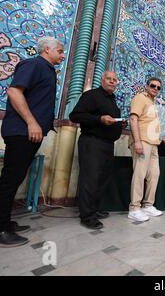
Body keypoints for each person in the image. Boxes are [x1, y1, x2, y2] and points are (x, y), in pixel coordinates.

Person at [0, 37, 65, 248]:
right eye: (59, 50)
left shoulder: (47, 70)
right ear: (47, 50)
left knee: (15, 177)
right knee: (10, 179)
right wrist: (32, 122)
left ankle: (3, 222)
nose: (62, 55)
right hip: (21, 132)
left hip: (28, 133)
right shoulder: (34, 64)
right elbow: (13, 91)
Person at [69, 71, 124, 230]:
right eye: (109, 79)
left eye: (114, 79)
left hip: (107, 145)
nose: (112, 81)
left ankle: (94, 209)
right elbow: (75, 116)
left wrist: (119, 125)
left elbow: (110, 121)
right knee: (90, 179)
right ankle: (87, 216)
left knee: (102, 179)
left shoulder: (112, 101)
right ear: (102, 80)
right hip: (92, 143)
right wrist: (99, 119)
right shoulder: (92, 96)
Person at [127, 77, 164, 222]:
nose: (155, 88)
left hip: (153, 143)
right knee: (139, 174)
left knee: (154, 175)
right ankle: (134, 208)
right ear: (147, 86)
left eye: (158, 87)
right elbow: (133, 119)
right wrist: (137, 141)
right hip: (142, 141)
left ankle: (148, 205)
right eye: (153, 85)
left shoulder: (153, 103)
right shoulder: (140, 98)